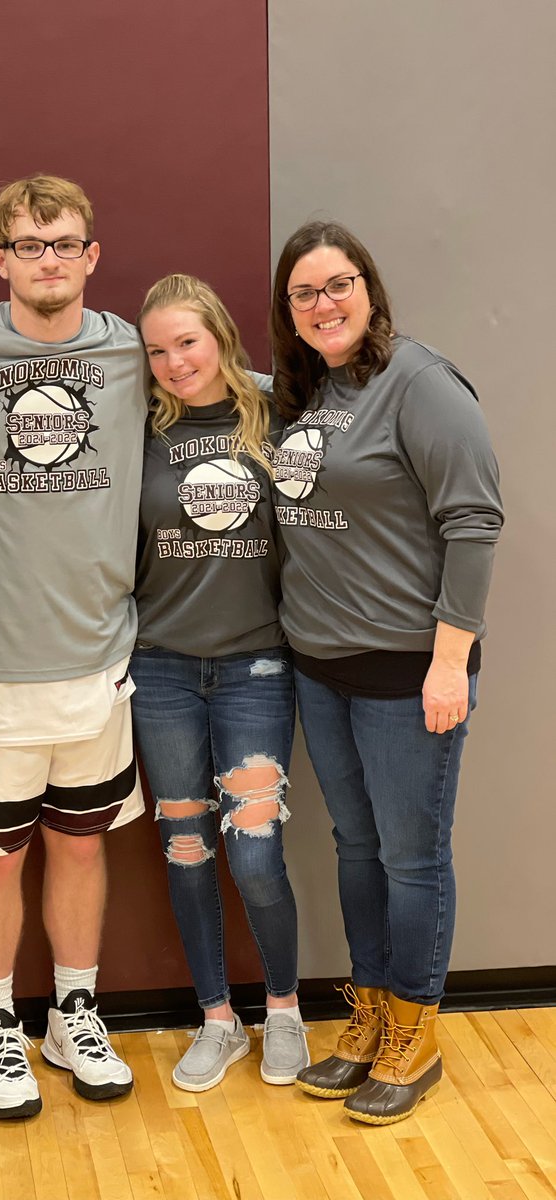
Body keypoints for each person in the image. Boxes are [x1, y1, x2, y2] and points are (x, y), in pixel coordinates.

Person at [0, 174, 146, 1119]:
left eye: (65, 244)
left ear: (92, 256)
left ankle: (73, 1013)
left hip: (100, 660)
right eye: (29, 245)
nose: (48, 261)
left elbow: (228, 384)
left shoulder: (129, 350)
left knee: (81, 847)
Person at [268, 220, 503, 1125]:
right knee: (357, 849)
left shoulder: (422, 383)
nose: (324, 304)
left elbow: (474, 522)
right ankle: (368, 1018)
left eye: (339, 285)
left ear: (369, 288)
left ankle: (418, 1029)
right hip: (322, 667)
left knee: (412, 858)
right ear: (288, 311)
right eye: (304, 293)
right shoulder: (308, 389)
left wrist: (451, 663)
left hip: (411, 672)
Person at [131, 274, 308, 1092]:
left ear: (221, 337)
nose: (173, 362)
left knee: (258, 853)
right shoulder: (139, 428)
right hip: (160, 668)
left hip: (256, 667)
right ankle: (216, 1018)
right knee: (188, 848)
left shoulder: (278, 412)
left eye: (187, 342)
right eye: (157, 349)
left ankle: (282, 1009)